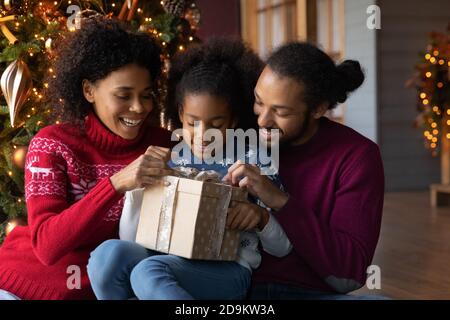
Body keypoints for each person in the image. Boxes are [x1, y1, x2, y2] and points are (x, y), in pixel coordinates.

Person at [87, 38, 293, 300]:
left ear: (233, 119)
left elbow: (282, 248)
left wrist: (260, 218)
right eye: (193, 123)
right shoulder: (174, 158)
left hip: (228, 269)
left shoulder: (254, 161)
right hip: (167, 256)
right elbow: (133, 239)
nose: (203, 134)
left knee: (148, 272)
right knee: (107, 255)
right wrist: (137, 192)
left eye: (216, 124)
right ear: (181, 114)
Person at [0, 17, 172, 300]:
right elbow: (46, 245)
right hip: (22, 284)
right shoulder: (52, 144)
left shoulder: (164, 146)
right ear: (88, 91)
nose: (139, 108)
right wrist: (116, 183)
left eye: (146, 95)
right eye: (124, 95)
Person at [224, 42, 385, 299]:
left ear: (318, 109)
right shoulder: (239, 136)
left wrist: (278, 199)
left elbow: (349, 274)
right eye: (259, 102)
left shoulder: (357, 156)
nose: (263, 120)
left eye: (280, 111)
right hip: (239, 291)